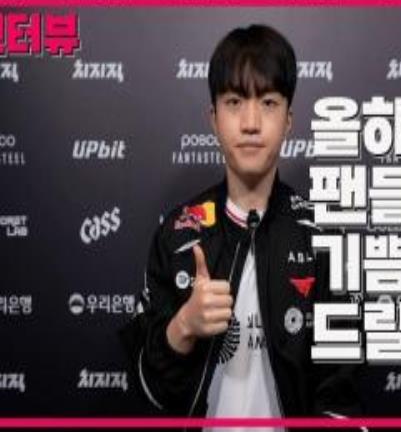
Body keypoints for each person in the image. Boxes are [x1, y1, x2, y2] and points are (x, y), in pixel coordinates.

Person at [120, 24, 360, 425]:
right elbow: (149, 393)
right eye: (234, 101)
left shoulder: (325, 241)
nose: (251, 122)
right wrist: (184, 327)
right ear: (213, 118)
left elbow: (341, 397)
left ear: (288, 120)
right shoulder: (177, 235)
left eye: (268, 102)